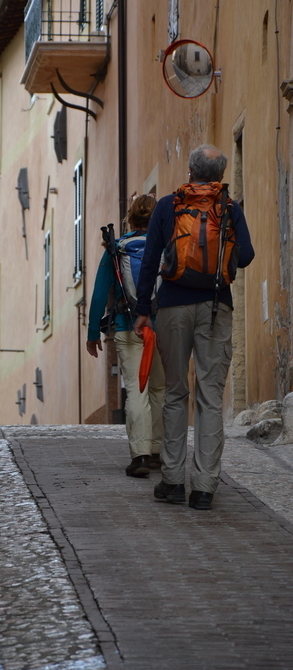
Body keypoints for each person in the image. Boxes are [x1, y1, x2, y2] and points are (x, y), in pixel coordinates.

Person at [134, 145, 255, 510]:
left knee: (174, 393)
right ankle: (203, 488)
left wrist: (142, 310)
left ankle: (172, 480)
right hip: (217, 306)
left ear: (189, 172)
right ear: (219, 176)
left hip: (172, 306)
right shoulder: (230, 208)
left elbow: (151, 257)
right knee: (209, 396)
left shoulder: (169, 205)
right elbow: (246, 255)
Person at [86, 195, 165, 477]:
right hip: (162, 328)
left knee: (136, 389)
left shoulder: (116, 250)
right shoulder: (166, 246)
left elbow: (98, 295)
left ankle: (140, 455)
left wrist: (93, 333)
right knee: (158, 389)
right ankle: (157, 451)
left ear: (130, 219)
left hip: (127, 326)